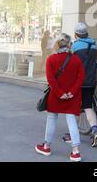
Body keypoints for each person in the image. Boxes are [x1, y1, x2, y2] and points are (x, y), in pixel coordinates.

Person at [35, 33, 85, 162]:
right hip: (72, 97)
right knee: (71, 120)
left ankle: (46, 147)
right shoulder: (76, 60)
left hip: (56, 96)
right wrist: (71, 92)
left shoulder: (51, 59)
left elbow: (51, 80)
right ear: (69, 44)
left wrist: (60, 93)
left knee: (51, 118)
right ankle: (76, 152)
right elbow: (81, 78)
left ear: (57, 44)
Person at [63, 22, 97, 148]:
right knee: (88, 107)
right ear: (86, 33)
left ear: (76, 34)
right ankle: (95, 131)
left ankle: (72, 134)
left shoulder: (74, 46)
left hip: (78, 82)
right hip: (91, 81)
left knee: (75, 108)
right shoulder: (94, 45)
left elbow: (68, 63)